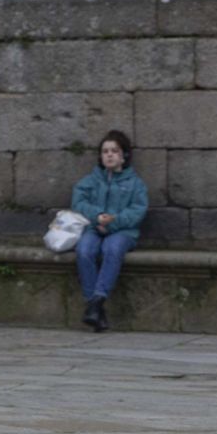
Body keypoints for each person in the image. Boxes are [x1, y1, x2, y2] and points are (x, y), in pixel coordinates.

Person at [70, 130, 147, 333]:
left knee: (112, 249)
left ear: (124, 155)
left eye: (114, 151)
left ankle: (96, 302)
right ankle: (95, 308)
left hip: (123, 232)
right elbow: (78, 202)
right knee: (85, 250)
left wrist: (112, 222)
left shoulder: (135, 183)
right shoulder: (91, 180)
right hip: (94, 228)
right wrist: (98, 216)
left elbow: (137, 210)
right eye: (105, 151)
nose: (110, 155)